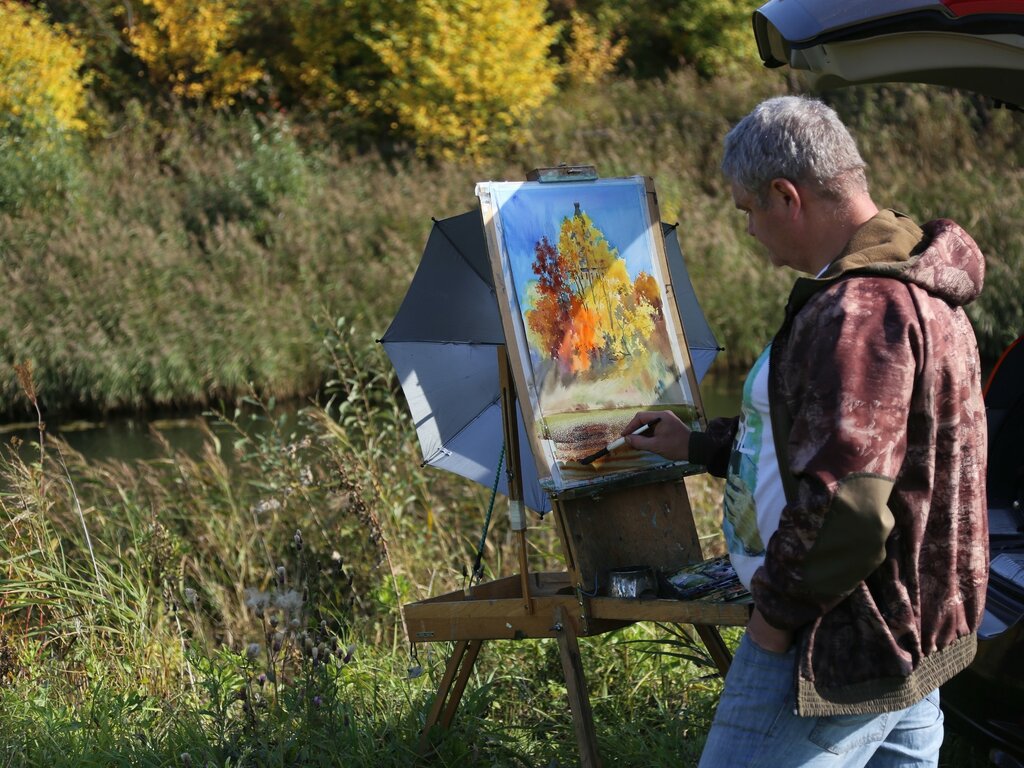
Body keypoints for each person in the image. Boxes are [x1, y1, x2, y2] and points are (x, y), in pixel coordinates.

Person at [623, 95, 989, 767]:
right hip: (911, 638)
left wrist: (772, 625)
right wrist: (700, 444)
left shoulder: (861, 311)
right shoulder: (919, 281)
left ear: (785, 196)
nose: (750, 231)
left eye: (747, 210)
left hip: (838, 643)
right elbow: (849, 444)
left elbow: (847, 506)